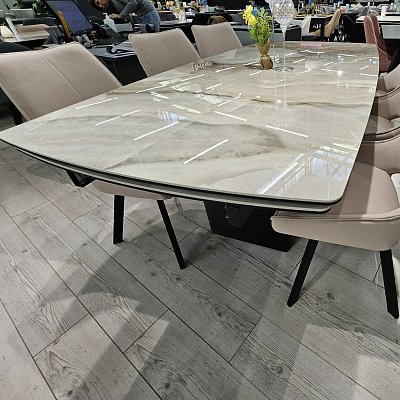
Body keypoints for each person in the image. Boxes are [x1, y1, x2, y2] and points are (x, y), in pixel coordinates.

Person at [89, 0, 161, 31]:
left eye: (98, 2)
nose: (101, 6)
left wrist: (121, 15)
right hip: (142, 14)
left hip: (148, 14)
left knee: (153, 40)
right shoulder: (112, 3)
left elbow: (133, 2)